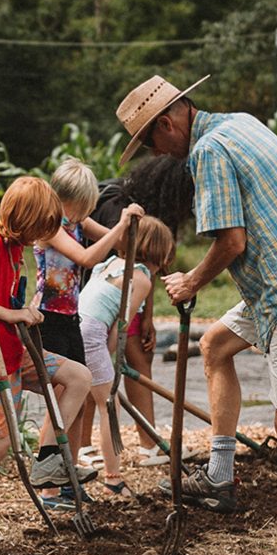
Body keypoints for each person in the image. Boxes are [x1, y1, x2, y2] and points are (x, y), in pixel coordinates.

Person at [115, 73, 277, 555]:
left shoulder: (208, 152)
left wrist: (191, 281)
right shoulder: (240, 124)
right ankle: (221, 476)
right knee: (215, 345)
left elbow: (232, 241)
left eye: (150, 142)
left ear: (168, 123)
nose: (155, 153)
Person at [0, 176, 95, 548]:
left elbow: (5, 299)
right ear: (24, 219)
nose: (44, 235)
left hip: (12, 351)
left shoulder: (14, 249)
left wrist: (23, 312)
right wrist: (9, 316)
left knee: (78, 377)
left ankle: (46, 460)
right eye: (41, 226)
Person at [37, 157, 126, 486]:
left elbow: (117, 244)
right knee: (61, 395)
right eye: (81, 206)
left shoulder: (78, 221)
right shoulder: (50, 224)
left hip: (71, 316)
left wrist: (127, 227)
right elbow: (88, 257)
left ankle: (67, 472)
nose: (83, 213)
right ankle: (47, 471)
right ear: (65, 198)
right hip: (48, 318)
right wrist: (120, 225)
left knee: (78, 392)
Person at [78, 212, 175, 494]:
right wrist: (109, 359)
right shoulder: (142, 279)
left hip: (75, 326)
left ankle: (68, 465)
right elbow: (119, 327)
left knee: (76, 399)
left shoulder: (109, 263)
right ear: (158, 251)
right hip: (93, 335)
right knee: (109, 406)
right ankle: (113, 478)